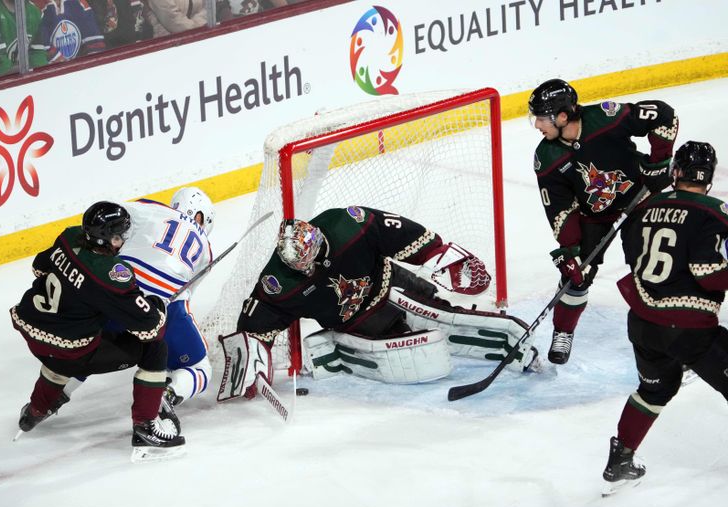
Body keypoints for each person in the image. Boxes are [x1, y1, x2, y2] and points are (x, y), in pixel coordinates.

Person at [216, 206, 539, 401]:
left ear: (317, 240)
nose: (307, 270)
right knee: (417, 358)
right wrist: (252, 355)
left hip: (394, 283)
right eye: (298, 267)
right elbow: (259, 319)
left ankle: (505, 338)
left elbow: (395, 231)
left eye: (309, 261)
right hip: (360, 325)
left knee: (444, 315)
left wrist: (439, 254)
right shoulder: (278, 281)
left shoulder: (347, 224)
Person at [10, 201, 185, 462]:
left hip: (31, 329)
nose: (121, 240)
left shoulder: (69, 236)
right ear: (106, 238)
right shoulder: (111, 274)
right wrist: (158, 306)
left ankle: (35, 410)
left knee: (76, 339)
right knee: (154, 349)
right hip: (69, 350)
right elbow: (150, 328)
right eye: (118, 235)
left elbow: (39, 267)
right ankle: (146, 427)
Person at [601, 141, 727, 495]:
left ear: (676, 172)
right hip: (688, 328)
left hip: (643, 323)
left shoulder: (644, 207)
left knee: (654, 390)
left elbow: (632, 256)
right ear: (709, 176)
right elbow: (708, 271)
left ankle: (621, 458)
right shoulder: (716, 212)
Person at [528, 78, 679, 364]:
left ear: (562, 116)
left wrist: (659, 162)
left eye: (541, 118)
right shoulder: (546, 156)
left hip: (640, 199)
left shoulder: (605, 117)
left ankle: (672, 340)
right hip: (593, 215)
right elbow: (561, 209)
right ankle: (563, 331)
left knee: (651, 270)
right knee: (575, 276)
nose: (537, 125)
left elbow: (662, 114)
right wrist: (570, 250)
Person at [63, 187, 215, 429]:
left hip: (121, 292)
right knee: (200, 367)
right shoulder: (207, 250)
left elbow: (108, 213)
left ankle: (53, 395)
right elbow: (184, 296)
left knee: (87, 347)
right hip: (163, 306)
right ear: (202, 219)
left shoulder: (151, 208)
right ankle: (169, 393)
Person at [0, 0, 47, 79]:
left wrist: (42, 76)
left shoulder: (33, 11)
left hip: (22, 79)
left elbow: (38, 54)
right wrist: (29, 75)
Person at [35, 0, 105, 63]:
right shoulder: (35, 8)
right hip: (53, 73)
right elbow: (40, 50)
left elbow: (95, 45)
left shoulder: (79, 3)